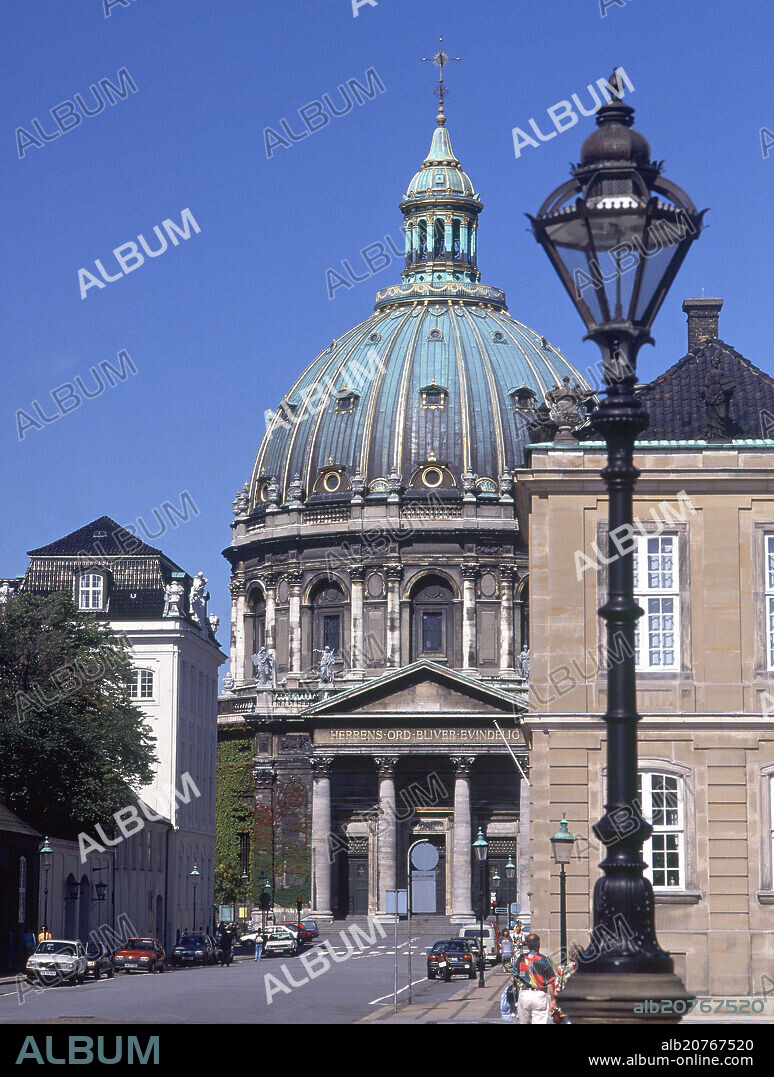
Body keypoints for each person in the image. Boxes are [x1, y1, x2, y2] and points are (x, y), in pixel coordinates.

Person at [514, 932, 556, 1025]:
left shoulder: (521, 958)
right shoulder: (544, 960)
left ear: (527, 945)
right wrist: (553, 999)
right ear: (538, 944)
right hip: (539, 995)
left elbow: (513, 978)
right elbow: (551, 981)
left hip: (524, 994)